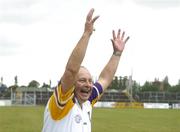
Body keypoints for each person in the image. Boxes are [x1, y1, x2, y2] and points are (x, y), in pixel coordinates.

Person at [42, 8, 129, 132]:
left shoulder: (88, 101)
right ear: (72, 83)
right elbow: (71, 71)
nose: (88, 85)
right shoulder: (62, 102)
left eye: (90, 80)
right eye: (82, 80)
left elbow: (105, 78)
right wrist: (87, 34)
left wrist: (117, 54)